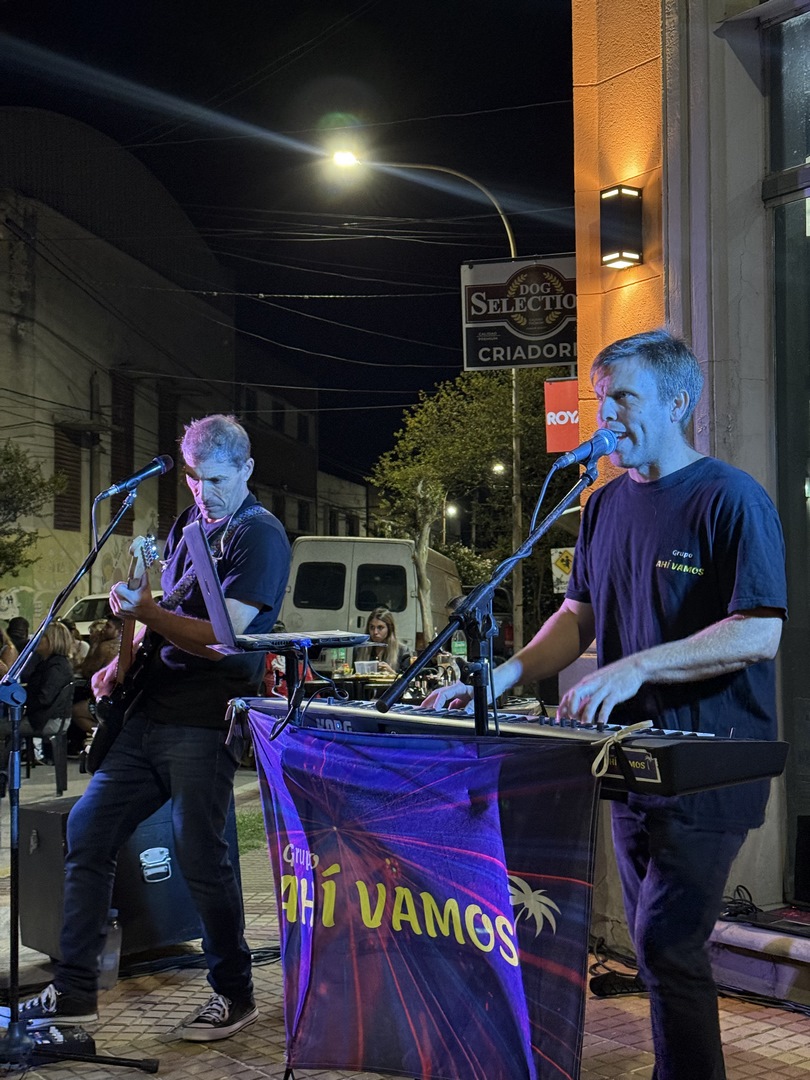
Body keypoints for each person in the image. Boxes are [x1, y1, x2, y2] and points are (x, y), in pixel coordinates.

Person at [425, 329, 787, 1080]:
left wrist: (634, 669)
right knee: (660, 953)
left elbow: (759, 630)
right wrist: (499, 678)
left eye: (624, 397)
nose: (607, 415)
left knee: (665, 944)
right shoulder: (602, 505)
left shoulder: (731, 498)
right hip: (631, 763)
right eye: (601, 399)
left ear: (678, 402)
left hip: (709, 763)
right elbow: (577, 618)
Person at [10, 414, 291, 1042]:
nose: (203, 492)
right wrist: (121, 658)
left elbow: (223, 638)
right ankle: (75, 991)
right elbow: (164, 608)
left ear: (246, 469)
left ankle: (234, 992)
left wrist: (146, 611)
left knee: (200, 853)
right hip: (151, 710)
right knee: (87, 830)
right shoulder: (190, 523)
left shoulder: (259, 535)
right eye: (193, 478)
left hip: (206, 716)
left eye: (216, 480)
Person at [0, 621, 75, 761]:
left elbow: (44, 698)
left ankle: (4, 767)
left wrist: (21, 704)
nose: (36, 639)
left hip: (49, 720)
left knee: (2, 726)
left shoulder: (56, 667)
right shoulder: (49, 663)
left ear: (53, 640)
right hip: (45, 717)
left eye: (42, 636)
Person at [355, 607, 411, 675]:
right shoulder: (360, 649)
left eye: (380, 627)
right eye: (372, 627)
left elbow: (408, 679)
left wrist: (391, 673)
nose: (375, 632)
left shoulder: (402, 651)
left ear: (390, 629)